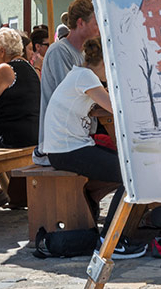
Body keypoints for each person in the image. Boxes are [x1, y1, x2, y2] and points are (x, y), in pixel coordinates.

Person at [41, 37, 120, 186]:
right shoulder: (86, 77)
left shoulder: (80, 73)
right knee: (128, 171)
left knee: (122, 162)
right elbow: (115, 108)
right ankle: (119, 210)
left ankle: (90, 201)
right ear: (105, 62)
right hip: (67, 150)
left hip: (65, 149)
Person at [39, 0, 99, 125]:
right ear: (81, 23)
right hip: (62, 137)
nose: (99, 29)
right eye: (96, 23)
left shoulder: (82, 53)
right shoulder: (60, 51)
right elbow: (69, 97)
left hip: (78, 134)